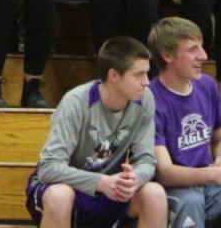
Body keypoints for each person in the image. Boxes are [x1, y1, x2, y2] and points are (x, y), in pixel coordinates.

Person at [26, 37, 168, 228]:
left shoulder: (145, 100)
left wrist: (133, 180)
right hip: (70, 187)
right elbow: (48, 168)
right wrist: (101, 182)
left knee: (155, 193)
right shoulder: (76, 101)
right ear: (113, 75)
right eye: (139, 75)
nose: (147, 82)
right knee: (59, 196)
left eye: (147, 74)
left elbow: (146, 160)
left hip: (111, 189)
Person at [145, 17, 221, 228]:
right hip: (174, 189)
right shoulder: (151, 99)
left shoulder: (207, 85)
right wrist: (215, 174)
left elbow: (220, 138)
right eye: (193, 49)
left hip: (209, 185)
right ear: (167, 56)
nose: (203, 56)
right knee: (191, 202)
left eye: (202, 47)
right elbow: (164, 173)